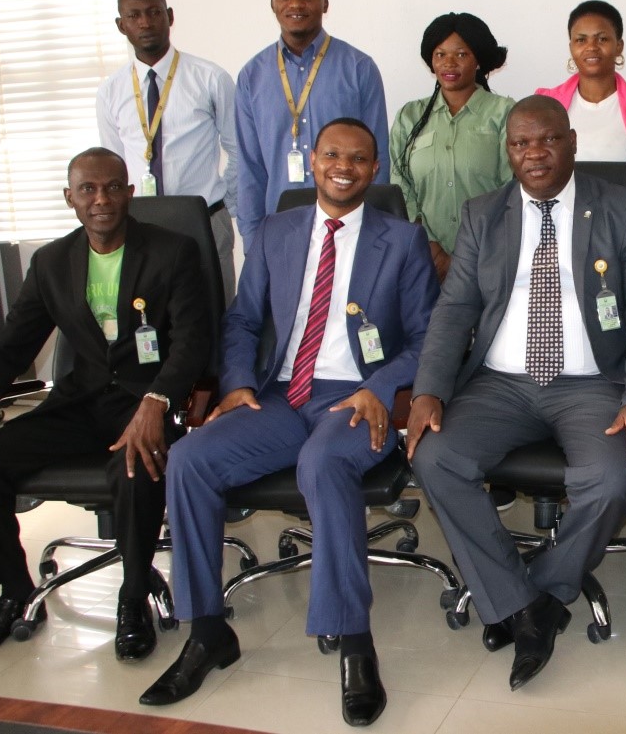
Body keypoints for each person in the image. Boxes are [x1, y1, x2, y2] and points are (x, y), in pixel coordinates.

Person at [141, 118, 437, 727]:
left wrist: (379, 388)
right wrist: (239, 385)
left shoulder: (401, 240)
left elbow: (425, 340)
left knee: (323, 462)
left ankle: (354, 640)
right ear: (314, 159)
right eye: (332, 154)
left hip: (355, 396)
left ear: (374, 169)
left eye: (358, 158)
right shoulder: (275, 231)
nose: (344, 166)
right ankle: (205, 631)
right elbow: (245, 320)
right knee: (191, 460)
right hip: (281, 394)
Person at [407, 95, 626, 691]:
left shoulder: (623, 209)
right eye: (521, 144)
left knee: (613, 478)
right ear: (508, 152)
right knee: (435, 456)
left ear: (572, 142)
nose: (535, 154)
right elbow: (455, 312)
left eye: (547, 140)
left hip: (592, 382)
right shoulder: (483, 214)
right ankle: (522, 601)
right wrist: (429, 391)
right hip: (500, 383)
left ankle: (538, 596)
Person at [0, 148, 209, 664]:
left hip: (144, 401)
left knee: (136, 465)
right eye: (88, 189)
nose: (101, 199)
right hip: (78, 402)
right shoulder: (51, 263)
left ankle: (133, 600)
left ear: (130, 193)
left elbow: (193, 342)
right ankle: (14, 594)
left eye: (112, 188)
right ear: (70, 198)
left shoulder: (173, 252)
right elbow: (10, 348)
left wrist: (155, 401)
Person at [235, 0, 390, 253]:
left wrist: (371, 235)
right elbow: (249, 168)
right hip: (278, 230)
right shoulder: (251, 77)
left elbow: (376, 159)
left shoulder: (359, 69)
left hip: (346, 227)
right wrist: (253, 240)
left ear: (325, 3)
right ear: (272, 3)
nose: (296, 3)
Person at [97, 0, 239, 297]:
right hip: (141, 226)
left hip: (204, 221)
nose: (146, 22)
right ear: (121, 25)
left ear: (170, 16)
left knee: (218, 320)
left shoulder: (210, 78)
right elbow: (113, 165)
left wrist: (223, 204)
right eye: (134, 16)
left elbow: (238, 150)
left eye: (154, 12)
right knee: (153, 325)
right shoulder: (111, 91)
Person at [389, 13, 513, 283]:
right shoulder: (409, 116)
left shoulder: (505, 113)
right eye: (440, 54)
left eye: (461, 54)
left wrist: (470, 253)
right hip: (424, 260)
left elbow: (511, 188)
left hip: (490, 257)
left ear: (478, 59)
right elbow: (400, 187)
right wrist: (429, 246)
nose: (449, 63)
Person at [536, 0, 626, 161]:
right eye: (581, 40)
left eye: (602, 39)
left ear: (619, 46)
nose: (591, 47)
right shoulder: (546, 102)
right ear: (571, 47)